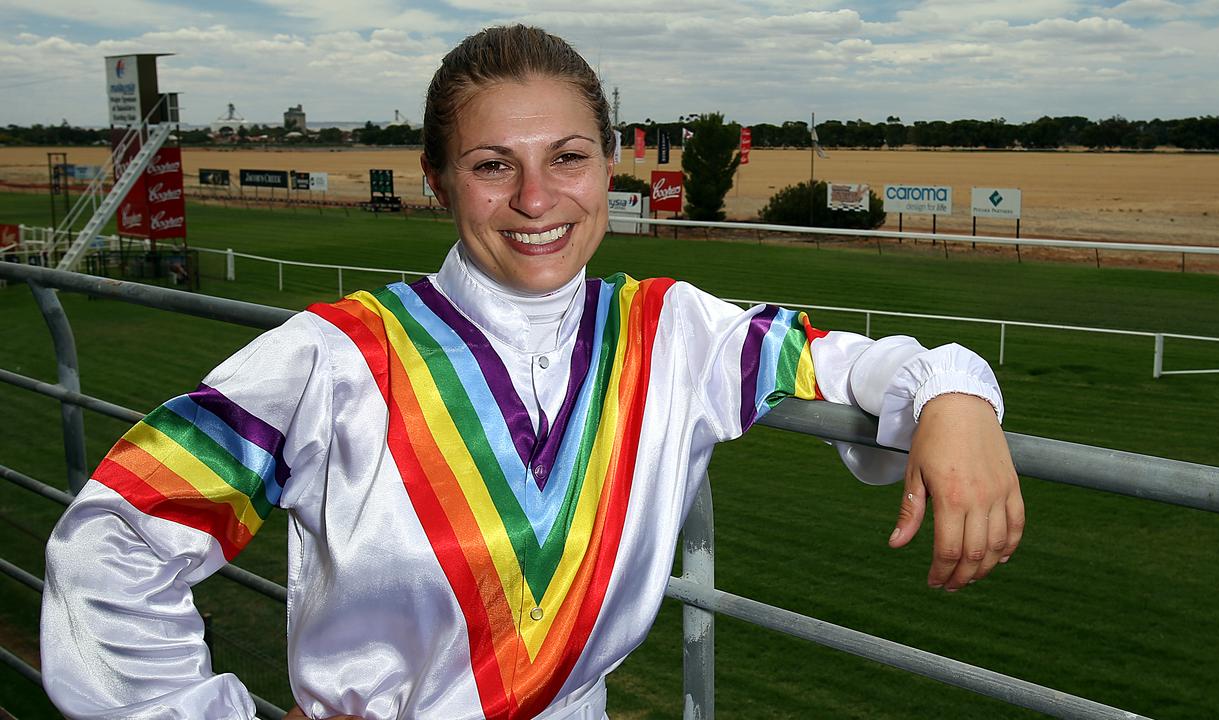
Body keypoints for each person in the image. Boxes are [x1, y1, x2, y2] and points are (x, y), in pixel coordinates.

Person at [40, 25, 1022, 720]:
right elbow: (113, 540)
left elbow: (852, 361)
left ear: (605, 169)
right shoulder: (335, 357)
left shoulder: (672, 332)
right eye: (491, 164)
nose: (537, 197)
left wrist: (953, 394)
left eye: (568, 156)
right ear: (437, 180)